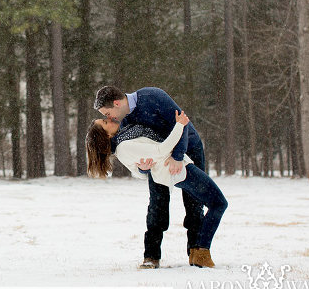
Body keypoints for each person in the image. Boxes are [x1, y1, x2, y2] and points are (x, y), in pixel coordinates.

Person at [86, 109, 228, 268]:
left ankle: (199, 252)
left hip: (175, 169)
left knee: (213, 204)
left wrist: (143, 169)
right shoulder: (124, 146)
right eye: (105, 123)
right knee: (219, 203)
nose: (109, 119)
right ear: (106, 136)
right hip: (177, 169)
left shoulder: (125, 136)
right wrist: (180, 125)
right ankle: (201, 251)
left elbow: (141, 165)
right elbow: (161, 151)